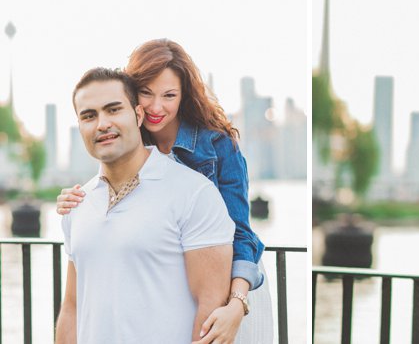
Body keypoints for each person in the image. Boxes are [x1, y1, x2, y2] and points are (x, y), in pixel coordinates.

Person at [56, 39, 272, 343]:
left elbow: (240, 232)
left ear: (184, 96)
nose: (157, 107)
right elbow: (112, 184)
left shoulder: (217, 147)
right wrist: (78, 202)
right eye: (147, 93)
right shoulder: (127, 136)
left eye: (169, 95)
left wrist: (237, 303)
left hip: (234, 282)